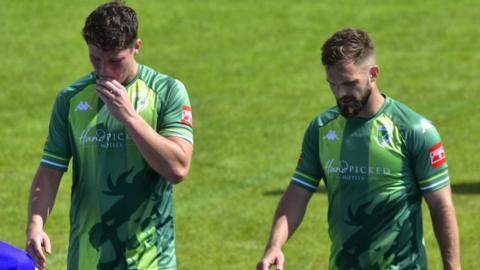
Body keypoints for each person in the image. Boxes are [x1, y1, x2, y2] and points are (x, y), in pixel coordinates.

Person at [257, 28, 461, 270]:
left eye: (349, 83)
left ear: (373, 74)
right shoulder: (322, 128)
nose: (341, 93)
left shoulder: (415, 130)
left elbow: (441, 204)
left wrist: (453, 267)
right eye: (332, 84)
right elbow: (299, 190)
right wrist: (275, 245)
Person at [25, 1, 193, 269]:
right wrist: (35, 224)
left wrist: (128, 116)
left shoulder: (167, 92)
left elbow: (178, 168)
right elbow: (50, 169)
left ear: (136, 47)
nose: (104, 71)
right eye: (95, 59)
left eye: (115, 61)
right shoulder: (71, 99)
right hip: (86, 260)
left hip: (151, 261)